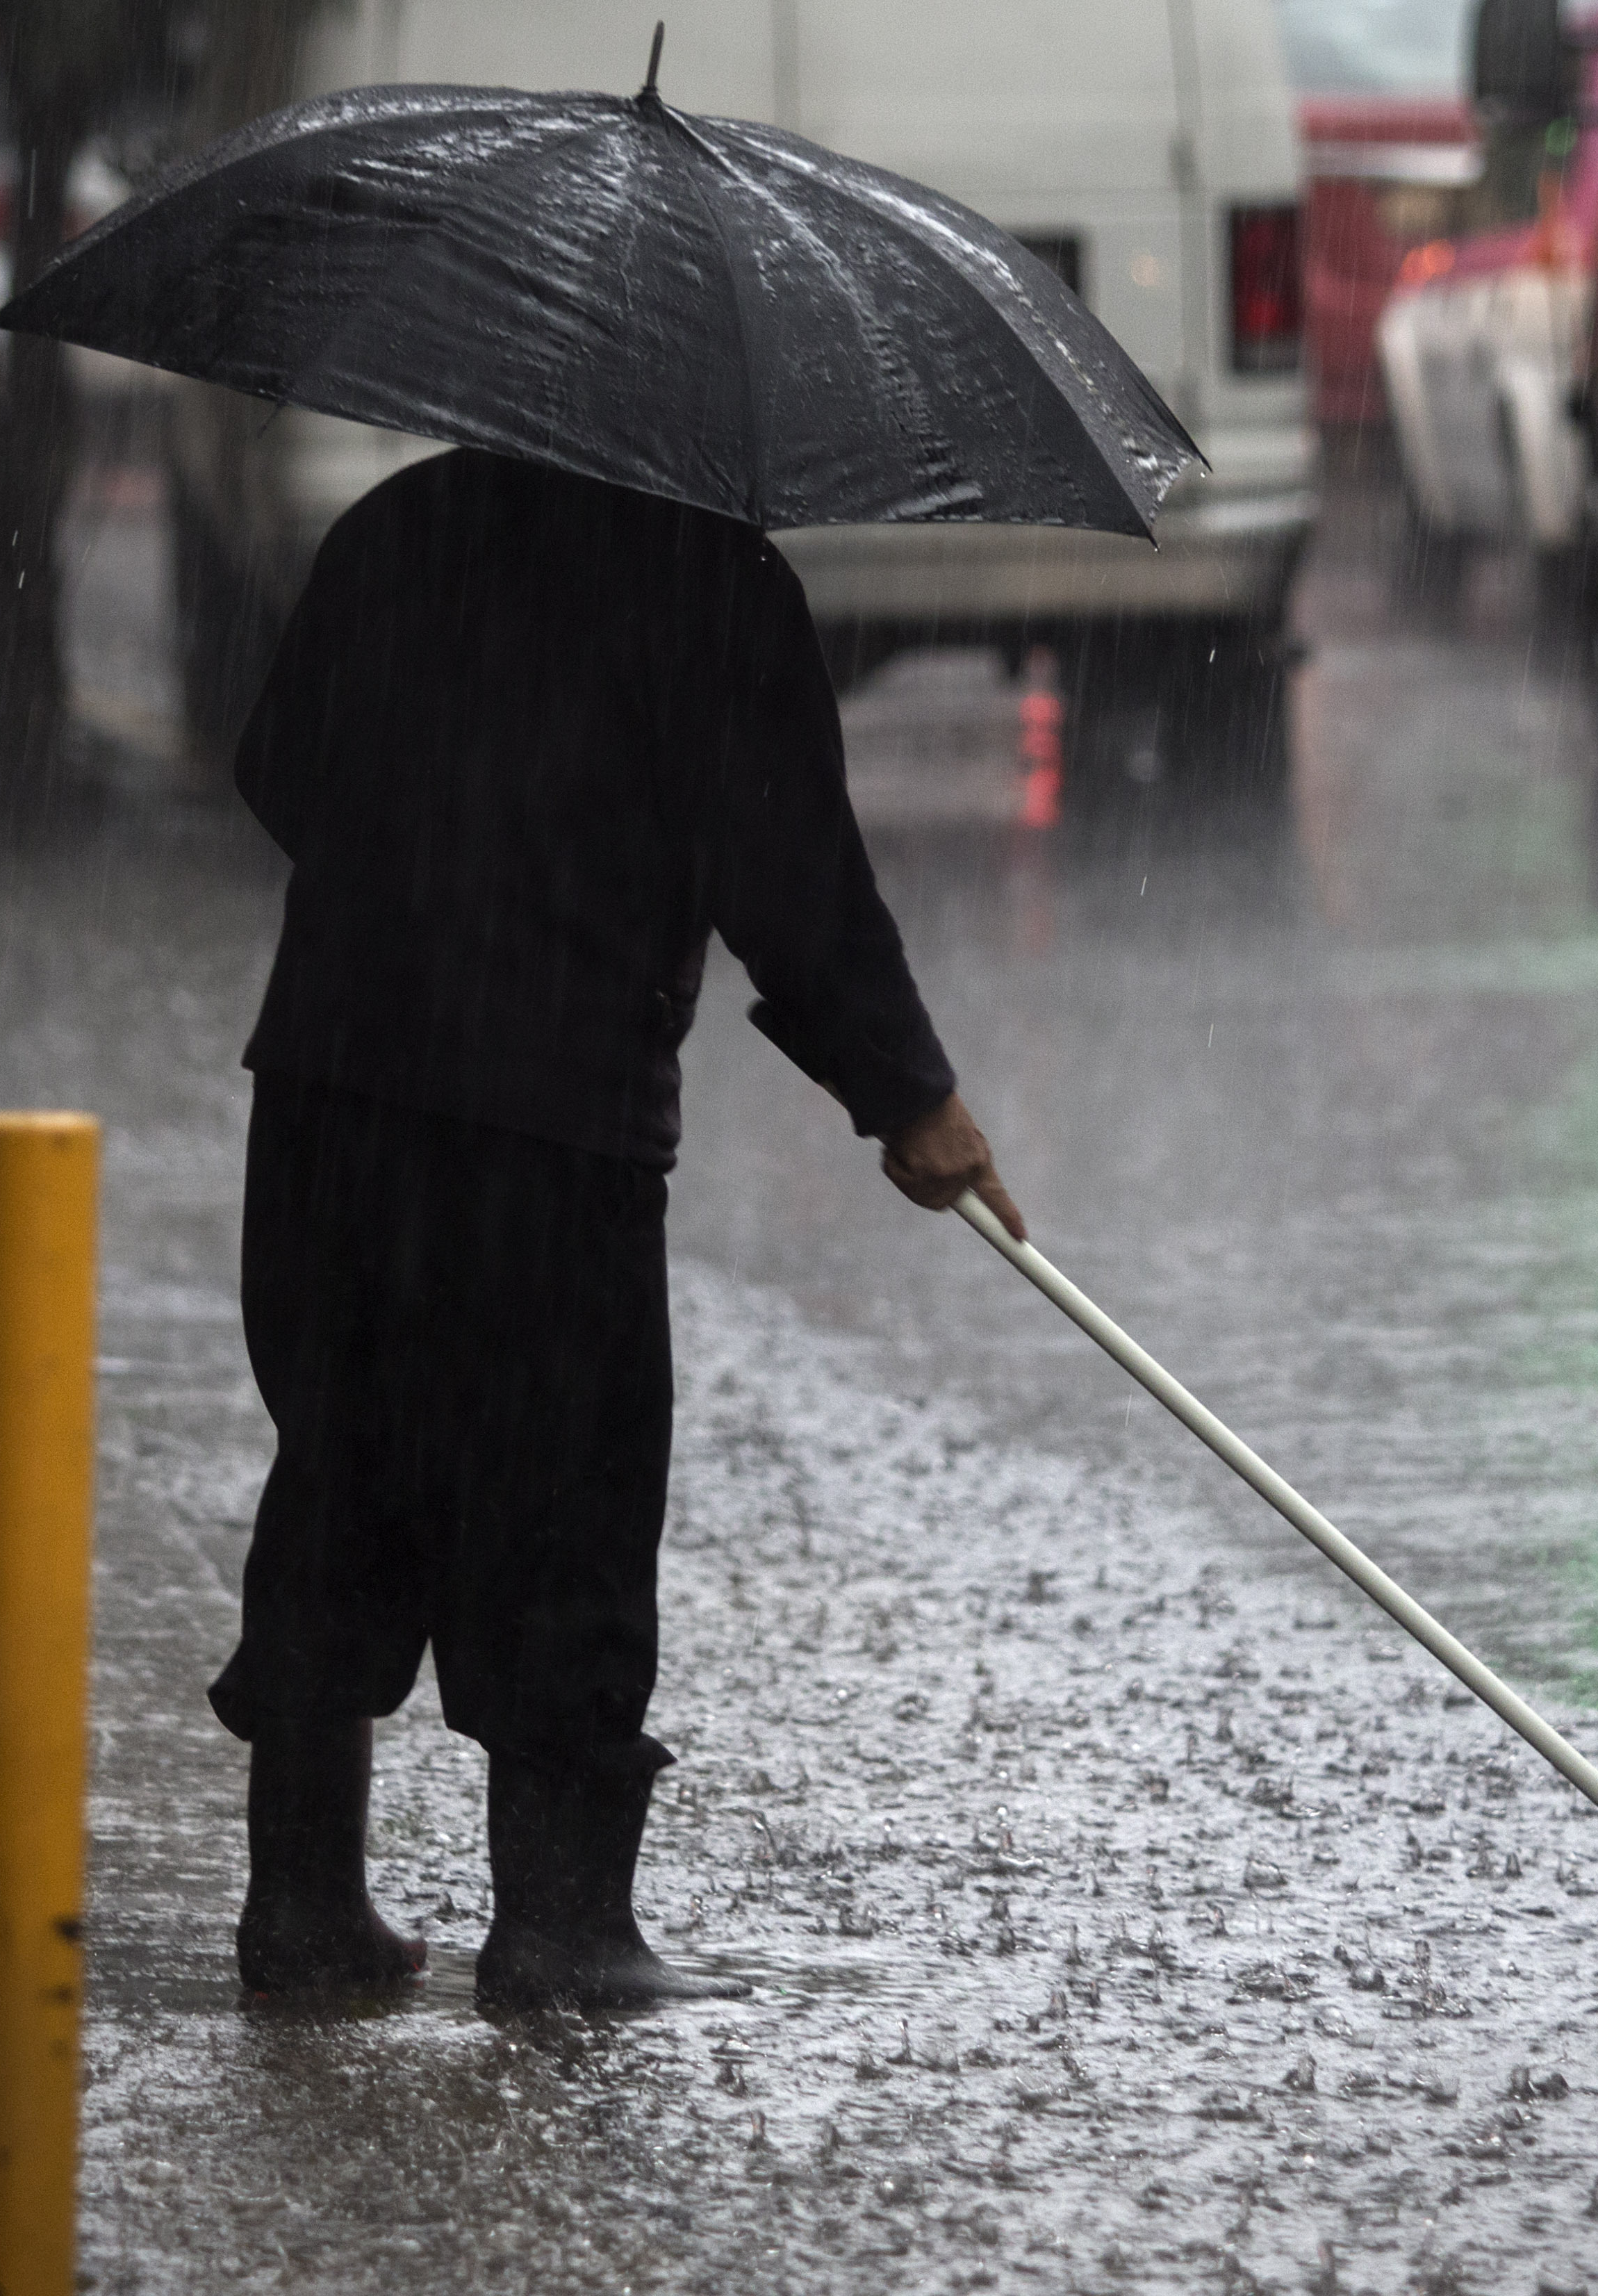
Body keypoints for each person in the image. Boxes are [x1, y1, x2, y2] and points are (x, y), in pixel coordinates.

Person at [212, 445, 1023, 2012]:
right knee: (565, 1500)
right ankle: (564, 1923)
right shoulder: (715, 578)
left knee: (342, 1464)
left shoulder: (397, 524)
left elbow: (277, 768)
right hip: (553, 1122)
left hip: (335, 1087)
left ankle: (303, 1909)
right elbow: (796, 883)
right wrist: (909, 1096)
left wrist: (430, 865)